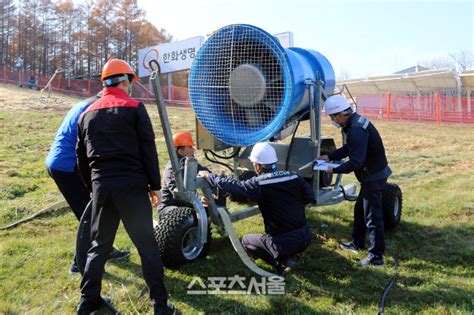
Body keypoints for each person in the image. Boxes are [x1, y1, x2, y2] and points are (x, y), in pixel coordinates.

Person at [76, 58, 175, 314]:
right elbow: (148, 150)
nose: (131, 86)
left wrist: (93, 188)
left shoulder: (86, 114)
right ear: (123, 80)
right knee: (147, 247)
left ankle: (88, 303)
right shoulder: (135, 108)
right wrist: (155, 186)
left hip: (102, 188)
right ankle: (161, 307)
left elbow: (82, 157)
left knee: (99, 246)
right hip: (131, 187)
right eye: (130, 81)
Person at [45, 93, 130, 275]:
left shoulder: (86, 103)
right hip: (67, 167)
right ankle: (80, 264)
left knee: (94, 212)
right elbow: (91, 148)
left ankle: (104, 251)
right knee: (90, 216)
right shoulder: (95, 109)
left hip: (59, 162)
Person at [199, 142, 314, 274]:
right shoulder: (295, 177)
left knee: (246, 240)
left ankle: (280, 264)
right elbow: (310, 197)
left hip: (282, 244)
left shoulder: (259, 184)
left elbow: (233, 186)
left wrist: (209, 176)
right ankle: (289, 255)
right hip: (305, 237)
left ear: (258, 166)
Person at [318, 95, 391, 266]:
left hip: (373, 177)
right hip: (374, 174)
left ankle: (376, 257)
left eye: (332, 117)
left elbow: (355, 162)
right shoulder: (355, 122)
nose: (332, 120)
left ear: (339, 115)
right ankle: (356, 243)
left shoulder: (356, 130)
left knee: (373, 217)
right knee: (360, 211)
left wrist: (333, 169)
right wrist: (330, 156)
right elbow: (349, 149)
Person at [158, 131, 210, 219]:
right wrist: (197, 200)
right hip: (169, 208)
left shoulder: (190, 163)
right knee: (184, 215)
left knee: (207, 210)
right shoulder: (172, 168)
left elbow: (207, 173)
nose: (193, 150)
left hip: (187, 206)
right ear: (180, 150)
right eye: (190, 147)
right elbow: (178, 194)